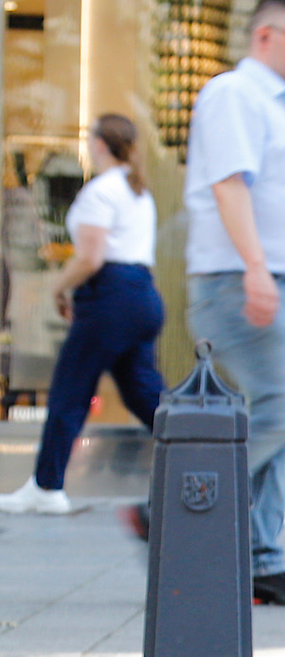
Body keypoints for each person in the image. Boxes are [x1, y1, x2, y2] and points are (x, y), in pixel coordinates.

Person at [183, 0, 285, 607]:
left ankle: (260, 562)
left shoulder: (283, 111)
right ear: (264, 37)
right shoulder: (235, 95)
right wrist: (256, 269)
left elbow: (280, 202)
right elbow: (229, 186)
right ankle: (173, 503)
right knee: (283, 412)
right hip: (245, 281)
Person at [0, 115, 163, 516]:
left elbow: (91, 257)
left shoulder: (101, 191)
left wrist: (59, 287)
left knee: (70, 389)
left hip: (109, 296)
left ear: (100, 144)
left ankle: (47, 485)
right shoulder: (138, 191)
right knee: (144, 393)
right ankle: (201, 452)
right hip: (141, 295)